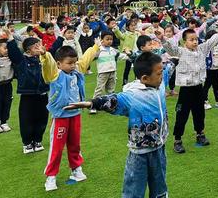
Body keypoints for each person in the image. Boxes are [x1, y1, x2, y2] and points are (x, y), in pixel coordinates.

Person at [63, 53, 169, 198]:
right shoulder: (133, 96)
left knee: (160, 188)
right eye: (159, 73)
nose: (162, 75)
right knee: (133, 190)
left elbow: (170, 68)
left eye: (162, 72)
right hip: (139, 154)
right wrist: (92, 103)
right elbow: (113, 100)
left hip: (159, 149)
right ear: (145, 78)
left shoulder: (160, 83)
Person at [40, 39, 100, 191]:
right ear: (59, 64)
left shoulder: (77, 71)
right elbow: (49, 66)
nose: (73, 65)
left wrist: (95, 47)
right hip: (61, 116)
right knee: (57, 147)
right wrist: (45, 55)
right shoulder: (55, 74)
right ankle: (51, 176)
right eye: (69, 63)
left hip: (75, 115)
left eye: (74, 62)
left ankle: (76, 169)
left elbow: (85, 59)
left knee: (75, 144)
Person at [162, 27, 218, 154]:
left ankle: (200, 134)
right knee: (182, 114)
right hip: (185, 90)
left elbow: (211, 41)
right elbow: (170, 48)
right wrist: (162, 38)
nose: (195, 42)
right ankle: (177, 140)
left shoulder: (201, 50)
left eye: (196, 39)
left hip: (198, 88)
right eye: (191, 40)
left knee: (199, 113)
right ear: (184, 42)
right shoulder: (181, 51)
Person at [6, 34, 62, 153]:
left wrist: (60, 38)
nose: (39, 48)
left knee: (42, 118)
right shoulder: (22, 60)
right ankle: (27, 143)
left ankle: (37, 140)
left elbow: (53, 54)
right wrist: (10, 39)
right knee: (26, 120)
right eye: (35, 46)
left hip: (42, 94)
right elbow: (14, 53)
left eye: (40, 45)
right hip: (27, 95)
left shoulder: (43, 58)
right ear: (28, 50)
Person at [89, 31, 123, 114]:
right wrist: (97, 48)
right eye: (107, 39)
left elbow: (120, 55)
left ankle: (111, 104)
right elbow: (92, 57)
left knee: (111, 89)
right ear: (102, 40)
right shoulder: (99, 50)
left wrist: (128, 55)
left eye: (111, 39)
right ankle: (93, 106)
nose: (110, 41)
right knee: (99, 89)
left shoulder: (113, 50)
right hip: (103, 72)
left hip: (112, 71)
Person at [0, 38, 13, 133]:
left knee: (7, 103)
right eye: (4, 48)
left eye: (8, 48)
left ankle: (4, 122)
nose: (7, 50)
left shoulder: (11, 58)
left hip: (7, 84)